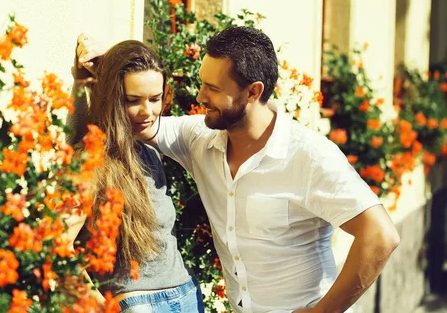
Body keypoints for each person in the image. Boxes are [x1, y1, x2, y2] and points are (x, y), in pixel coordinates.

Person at [77, 26, 400, 313]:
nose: (201, 96)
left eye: (213, 89)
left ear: (253, 92)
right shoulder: (200, 138)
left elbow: (380, 235)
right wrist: (114, 67)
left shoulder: (310, 157)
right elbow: (139, 123)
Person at [71, 37, 205, 313]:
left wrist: (110, 60)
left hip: (186, 294)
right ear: (112, 97)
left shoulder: (148, 149)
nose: (148, 112)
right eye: (133, 101)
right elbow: (56, 246)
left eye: (155, 99)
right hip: (137, 303)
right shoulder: (90, 161)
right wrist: (101, 308)